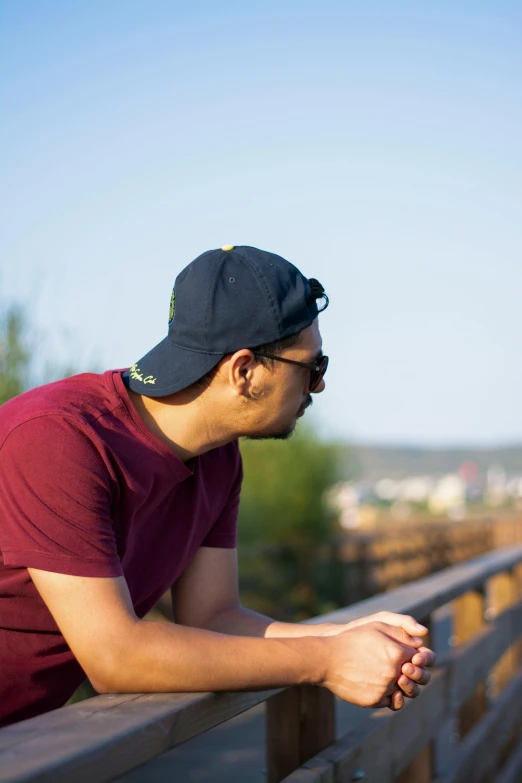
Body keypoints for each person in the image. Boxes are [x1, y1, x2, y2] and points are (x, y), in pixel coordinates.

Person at [0, 245, 434, 729]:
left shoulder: (218, 457)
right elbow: (115, 656)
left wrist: (342, 637)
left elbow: (213, 617)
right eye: (313, 367)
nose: (319, 387)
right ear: (243, 371)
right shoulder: (57, 440)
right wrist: (326, 661)